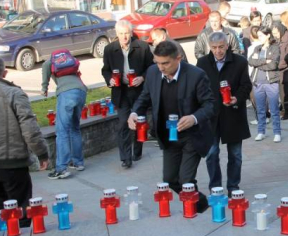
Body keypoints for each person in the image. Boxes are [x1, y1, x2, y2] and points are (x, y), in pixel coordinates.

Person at [128, 41, 215, 213]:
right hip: (168, 135)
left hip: (192, 135)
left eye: (165, 63)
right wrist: (134, 113)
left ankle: (194, 210)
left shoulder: (196, 75)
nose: (161, 67)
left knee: (186, 179)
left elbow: (210, 105)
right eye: (157, 62)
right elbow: (144, 98)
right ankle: (202, 204)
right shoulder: (152, 73)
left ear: (178, 58)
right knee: (169, 179)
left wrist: (194, 118)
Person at [196, 32, 252, 195]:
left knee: (235, 154)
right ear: (209, 47)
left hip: (233, 115)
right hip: (211, 116)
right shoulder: (203, 62)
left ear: (227, 46)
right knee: (211, 153)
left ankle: (233, 186)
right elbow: (198, 88)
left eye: (221, 47)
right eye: (214, 48)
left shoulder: (239, 62)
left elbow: (246, 85)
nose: (218, 51)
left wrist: (237, 98)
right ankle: (215, 186)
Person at [0, 59, 49, 227]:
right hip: (13, 164)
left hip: (12, 162)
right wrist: (42, 153)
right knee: (21, 213)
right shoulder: (13, 93)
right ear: (4, 72)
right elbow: (30, 128)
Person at [102, 20, 154, 169]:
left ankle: (137, 151)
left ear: (131, 33)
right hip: (121, 91)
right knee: (123, 123)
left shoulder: (142, 47)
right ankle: (125, 158)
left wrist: (142, 77)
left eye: (126, 33)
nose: (124, 37)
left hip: (138, 90)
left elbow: (151, 67)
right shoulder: (110, 49)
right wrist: (109, 79)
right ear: (116, 34)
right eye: (121, 34)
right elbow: (105, 69)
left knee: (138, 121)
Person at [41, 53, 87, 179]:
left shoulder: (51, 61)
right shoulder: (69, 61)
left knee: (62, 132)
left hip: (66, 93)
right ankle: (78, 163)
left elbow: (45, 65)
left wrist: (44, 86)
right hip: (81, 90)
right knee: (74, 128)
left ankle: (61, 168)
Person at [248, 27, 282, 142]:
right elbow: (250, 61)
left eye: (261, 35)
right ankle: (261, 131)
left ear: (268, 35)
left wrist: (258, 63)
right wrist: (264, 61)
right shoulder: (257, 48)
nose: (259, 38)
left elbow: (273, 65)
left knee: (274, 109)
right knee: (260, 109)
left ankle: (277, 132)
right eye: (258, 36)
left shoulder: (275, 47)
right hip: (257, 82)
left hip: (271, 82)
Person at [272, 22, 288, 120]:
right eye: (273, 34)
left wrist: (275, 65)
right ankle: (287, 107)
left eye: (276, 33)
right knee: (284, 91)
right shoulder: (278, 38)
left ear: (281, 30)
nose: (275, 36)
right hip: (280, 69)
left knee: (287, 92)